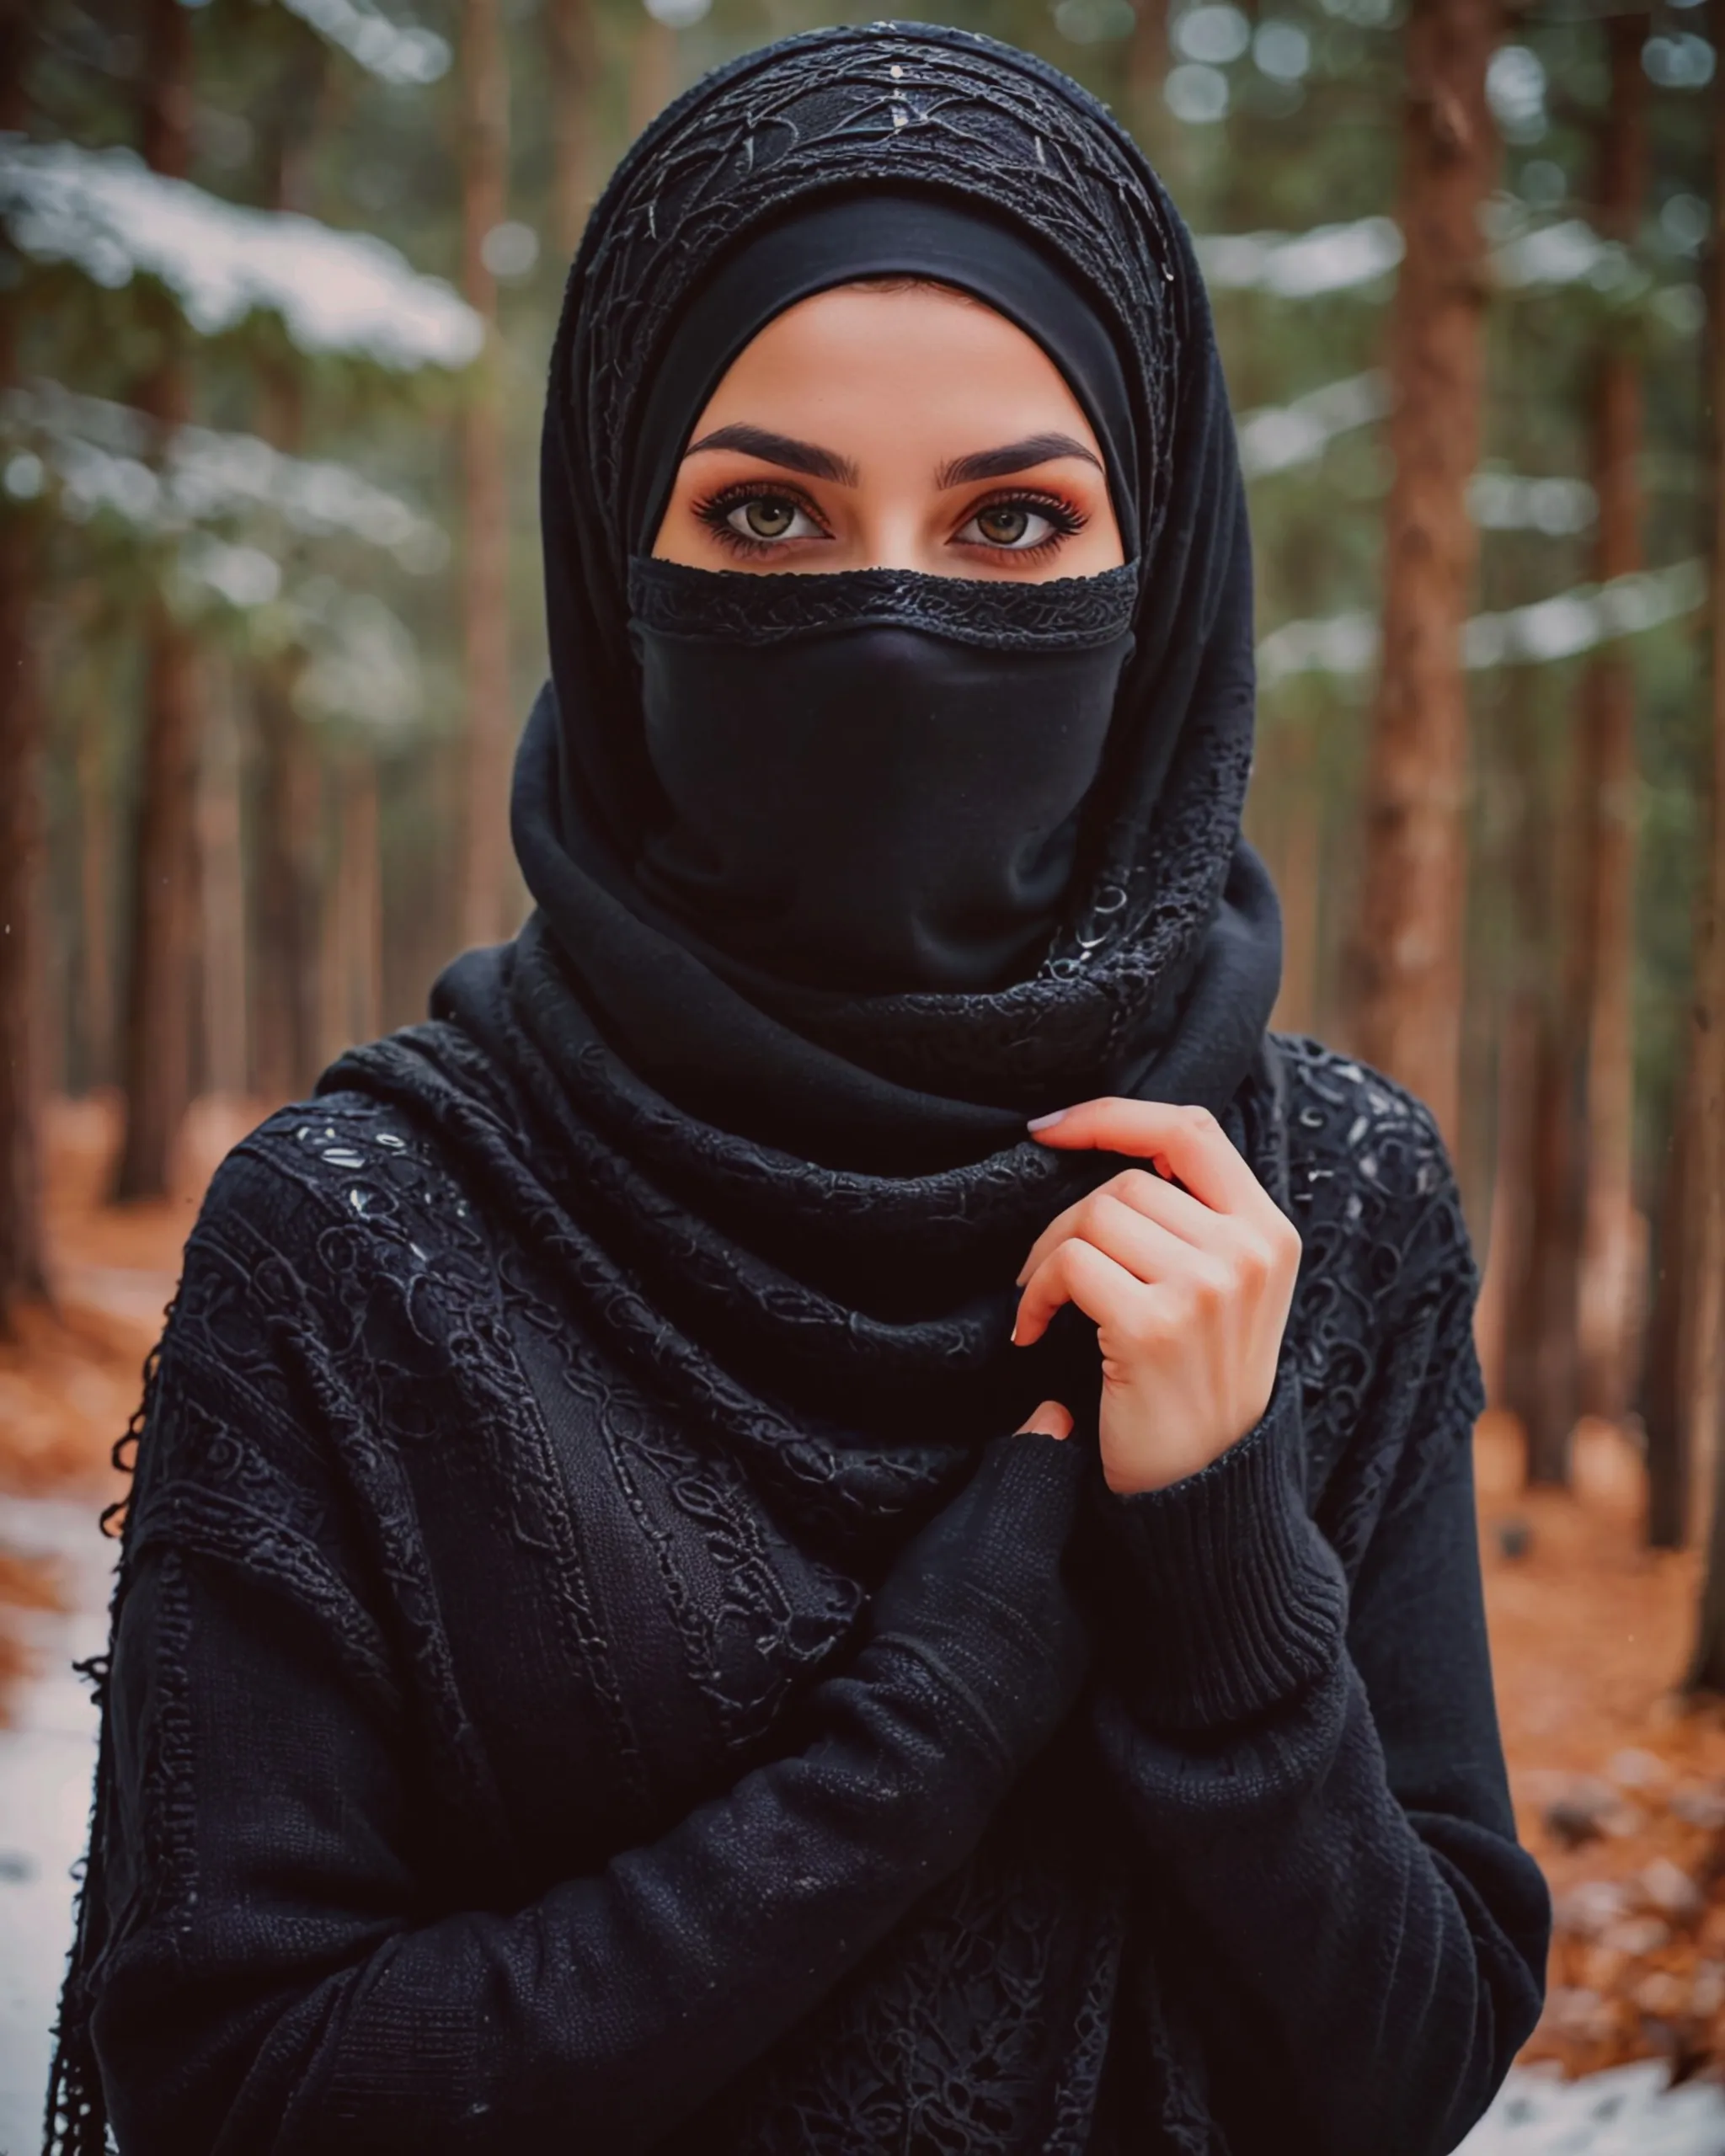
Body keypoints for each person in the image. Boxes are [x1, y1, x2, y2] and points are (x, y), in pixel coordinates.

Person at [45, 24, 1550, 2156]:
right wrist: (907, 1742)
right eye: (764, 511)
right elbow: (236, 2080)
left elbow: (1411, 2059)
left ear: (1165, 579)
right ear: (610, 551)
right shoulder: (366, 1229)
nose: (892, 624)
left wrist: (1220, 1559)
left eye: (1018, 518)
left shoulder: (1322, 1205)